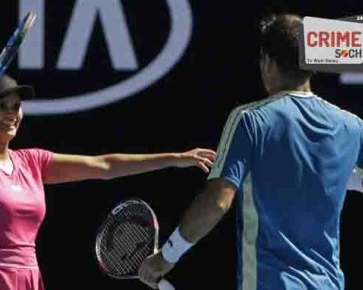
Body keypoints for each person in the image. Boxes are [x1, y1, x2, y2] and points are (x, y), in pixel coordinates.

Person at [138, 13, 363, 290]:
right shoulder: (352, 126)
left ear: (267, 62)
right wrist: (335, 177)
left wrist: (167, 256)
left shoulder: (249, 119)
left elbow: (217, 202)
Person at [0, 74, 216, 290]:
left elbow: (105, 166)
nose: (12, 113)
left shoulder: (32, 162)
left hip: (28, 278)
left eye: (16, 106)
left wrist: (176, 159)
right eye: (1, 106)